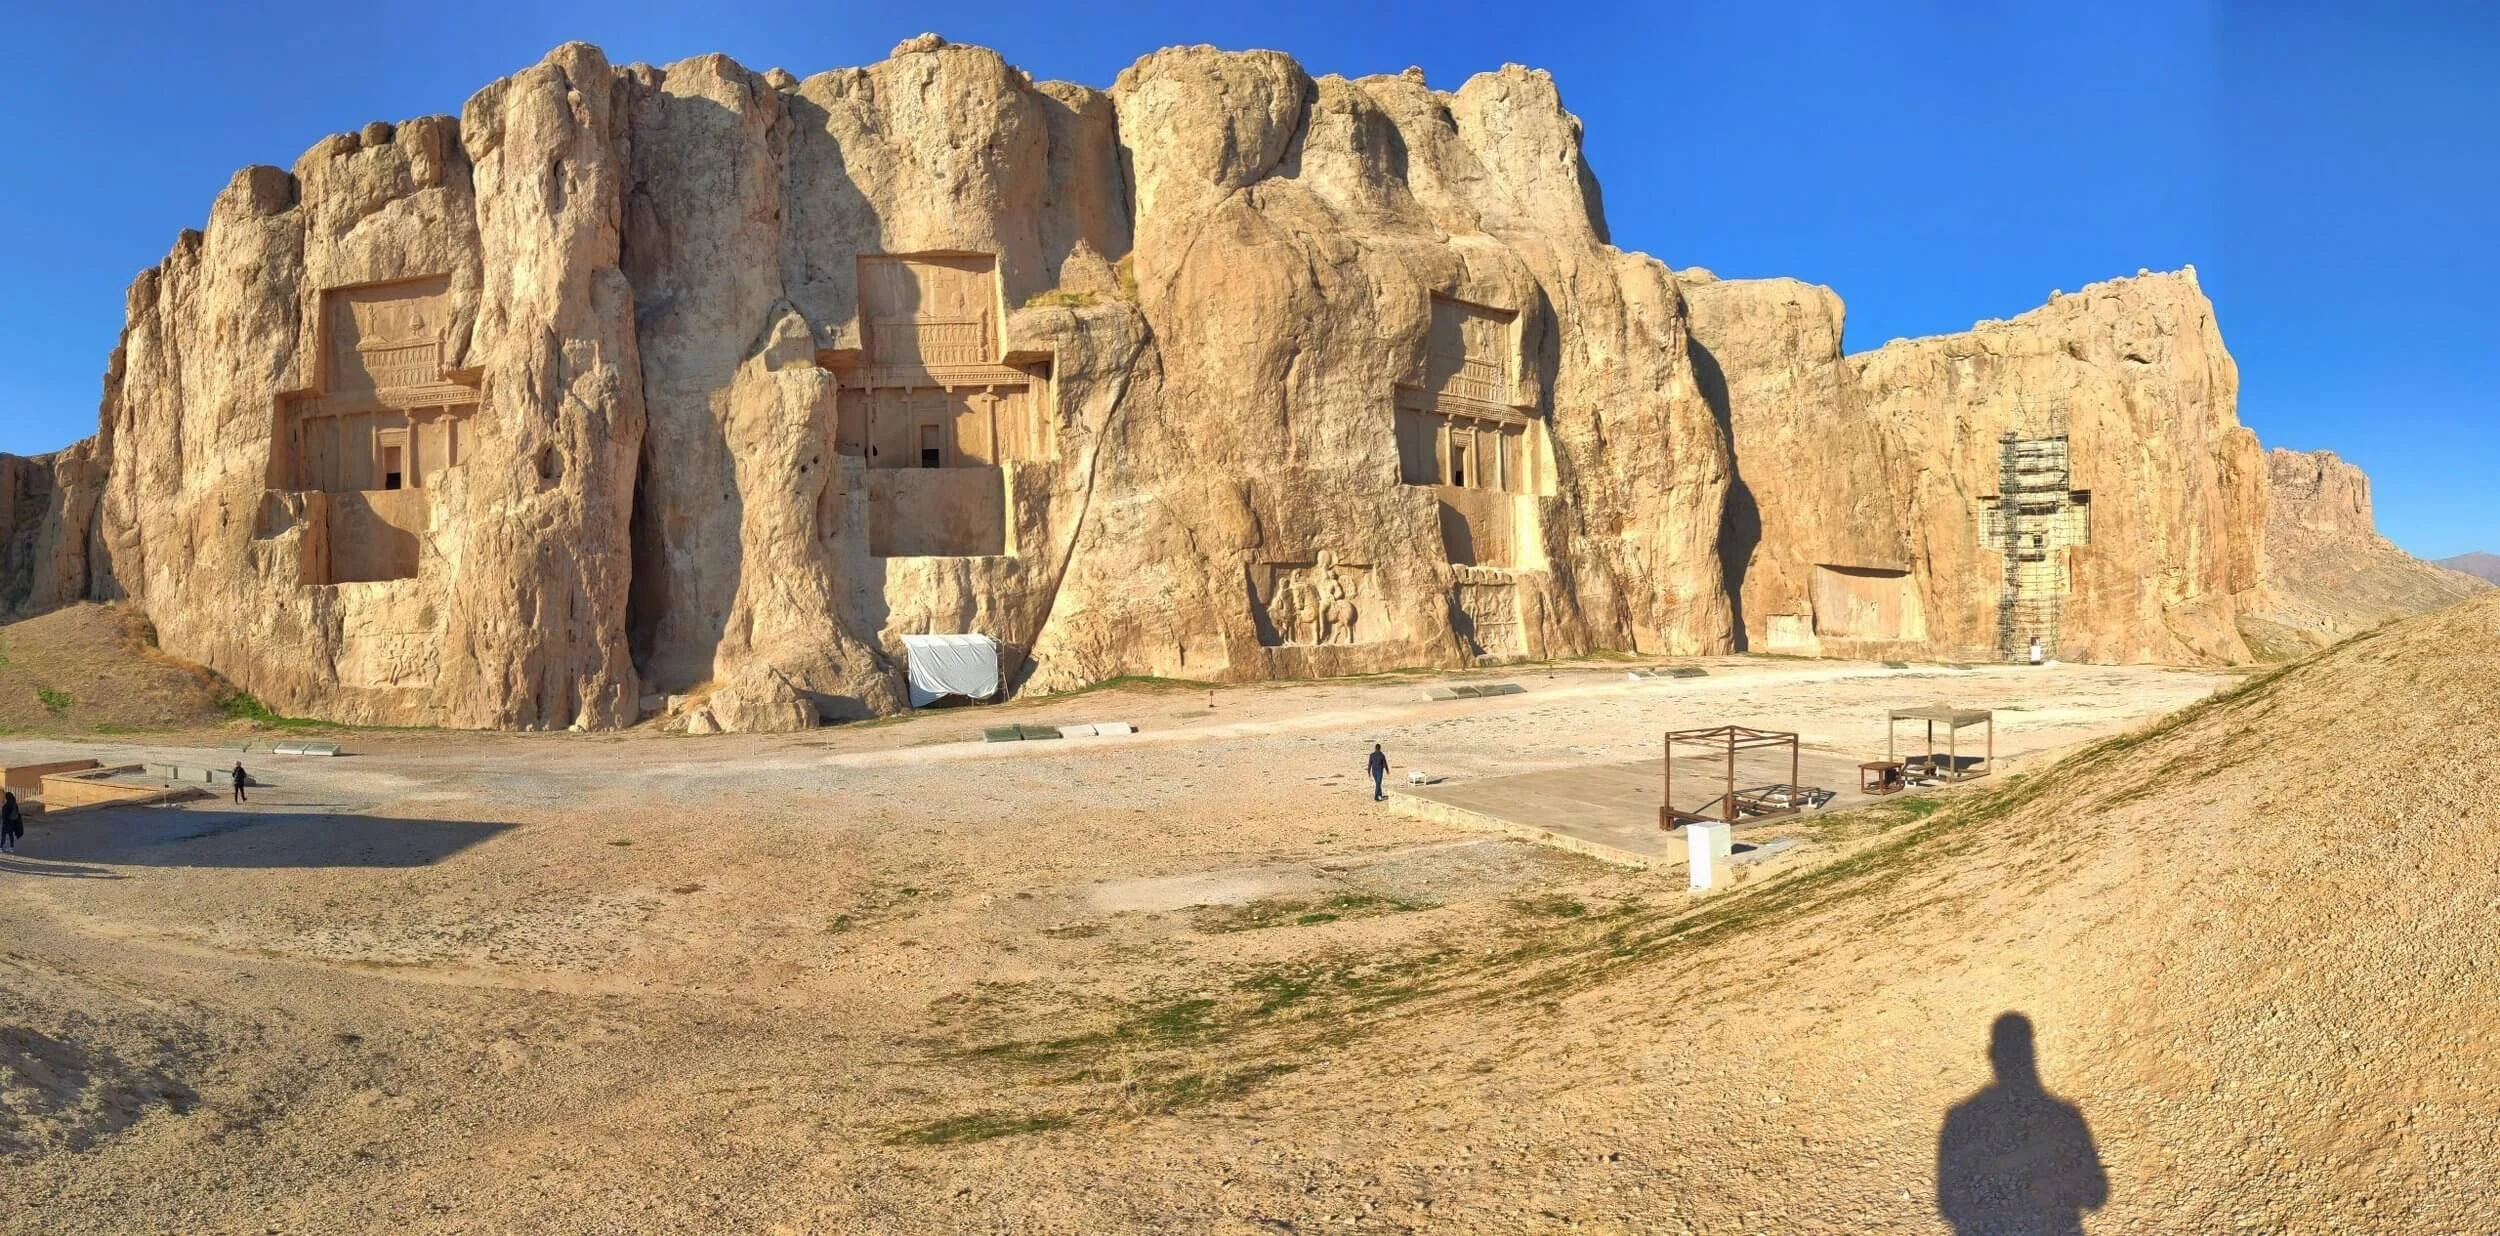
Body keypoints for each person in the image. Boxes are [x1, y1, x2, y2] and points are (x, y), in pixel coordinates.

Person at [1936, 1012, 2108, 1235]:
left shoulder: (1961, 1119)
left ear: (1992, 1055)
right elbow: (2096, 1195)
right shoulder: (2065, 1118)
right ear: (2033, 1055)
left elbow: (1949, 1204)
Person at [1, 790, 21, 854]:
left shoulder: (5, 806)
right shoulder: (15, 805)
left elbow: (3, 816)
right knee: (11, 836)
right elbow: (17, 814)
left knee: (3, 836)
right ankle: (11, 848)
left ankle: (1, 847)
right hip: (12, 823)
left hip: (6, 823)